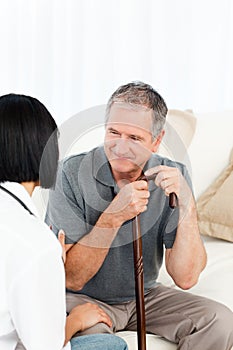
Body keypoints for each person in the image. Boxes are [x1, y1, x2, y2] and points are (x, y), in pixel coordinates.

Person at [46, 81, 233, 350]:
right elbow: (72, 278)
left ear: (156, 141)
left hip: (145, 295)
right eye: (114, 132)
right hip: (82, 299)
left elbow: (186, 278)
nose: (120, 147)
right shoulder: (69, 174)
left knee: (220, 321)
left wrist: (187, 205)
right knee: (100, 344)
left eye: (134, 138)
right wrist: (113, 216)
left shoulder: (172, 175)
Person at [0, 93, 128, 350]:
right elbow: (45, 346)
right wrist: (77, 320)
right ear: (42, 152)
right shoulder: (36, 243)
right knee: (112, 346)